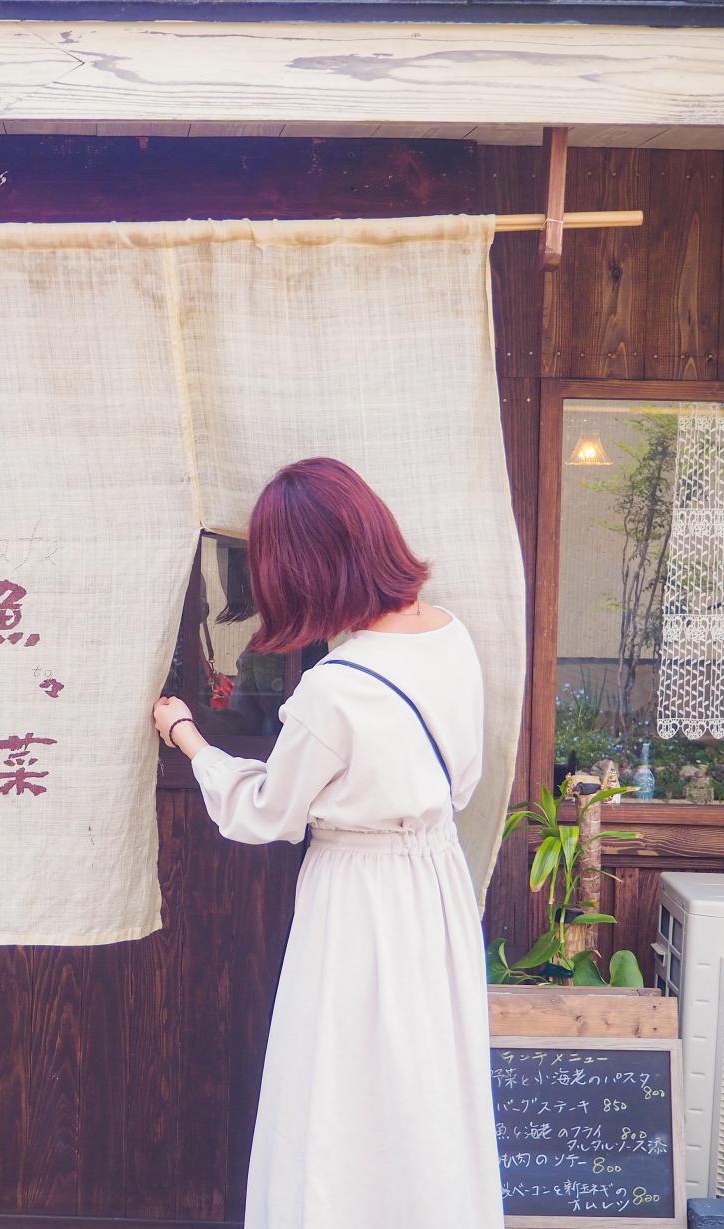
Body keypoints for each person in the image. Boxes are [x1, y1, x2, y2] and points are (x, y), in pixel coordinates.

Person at [152, 457, 503, 1229]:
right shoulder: (452, 637)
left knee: (338, 1096)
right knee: (426, 1093)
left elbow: (265, 812)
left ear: (306, 572)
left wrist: (188, 739)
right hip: (435, 886)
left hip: (357, 897)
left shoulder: (333, 688)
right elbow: (464, 779)